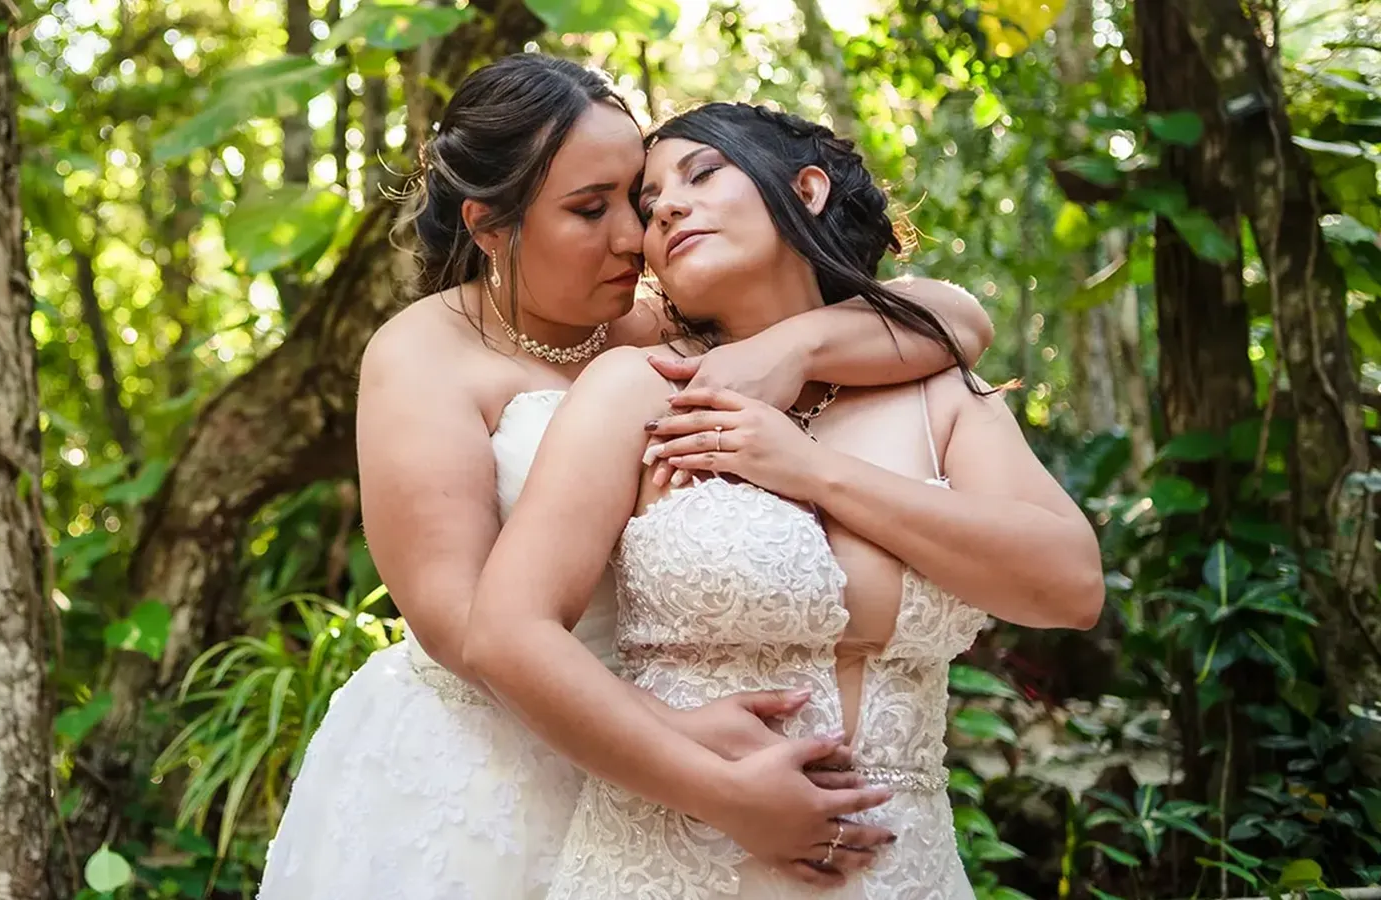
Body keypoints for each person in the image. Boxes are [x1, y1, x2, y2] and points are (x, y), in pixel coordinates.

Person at [256, 59, 998, 900]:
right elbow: (467, 634)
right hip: (496, 763)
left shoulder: (658, 325)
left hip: (673, 766)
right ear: (490, 226)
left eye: (636, 203)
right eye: (589, 209)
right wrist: (689, 754)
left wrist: (792, 349)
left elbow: (959, 319)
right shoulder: (421, 355)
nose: (631, 238)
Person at [463, 100, 1104, 898]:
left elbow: (1072, 587)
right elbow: (507, 634)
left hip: (904, 871)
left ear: (805, 189)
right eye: (650, 202)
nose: (665, 206)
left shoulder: (937, 391)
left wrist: (807, 469)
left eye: (701, 174)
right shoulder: (642, 388)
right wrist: (718, 792)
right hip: (673, 857)